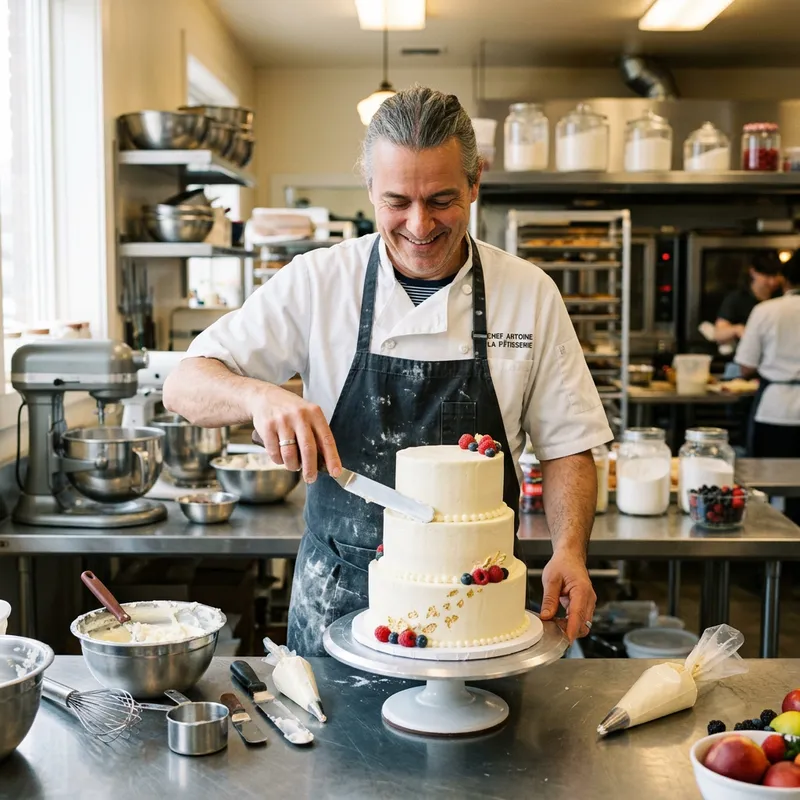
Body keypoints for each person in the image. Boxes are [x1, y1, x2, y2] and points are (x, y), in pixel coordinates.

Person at [163, 86, 613, 656]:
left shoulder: (529, 294)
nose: (419, 225)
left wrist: (569, 550)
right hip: (336, 595)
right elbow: (183, 385)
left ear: (475, 183)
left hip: (475, 607)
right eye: (397, 201)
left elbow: (568, 445)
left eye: (442, 200)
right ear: (370, 188)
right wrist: (258, 397)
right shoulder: (318, 281)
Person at [735, 250, 800, 521]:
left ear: (785, 279)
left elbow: (746, 365)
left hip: (776, 409)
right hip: (777, 406)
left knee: (766, 487)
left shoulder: (766, 310)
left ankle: (776, 538)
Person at [714, 251, 783, 350]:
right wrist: (737, 329)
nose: (772, 282)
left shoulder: (782, 297)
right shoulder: (737, 298)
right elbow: (718, 333)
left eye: (775, 276)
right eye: (767, 276)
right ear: (753, 272)